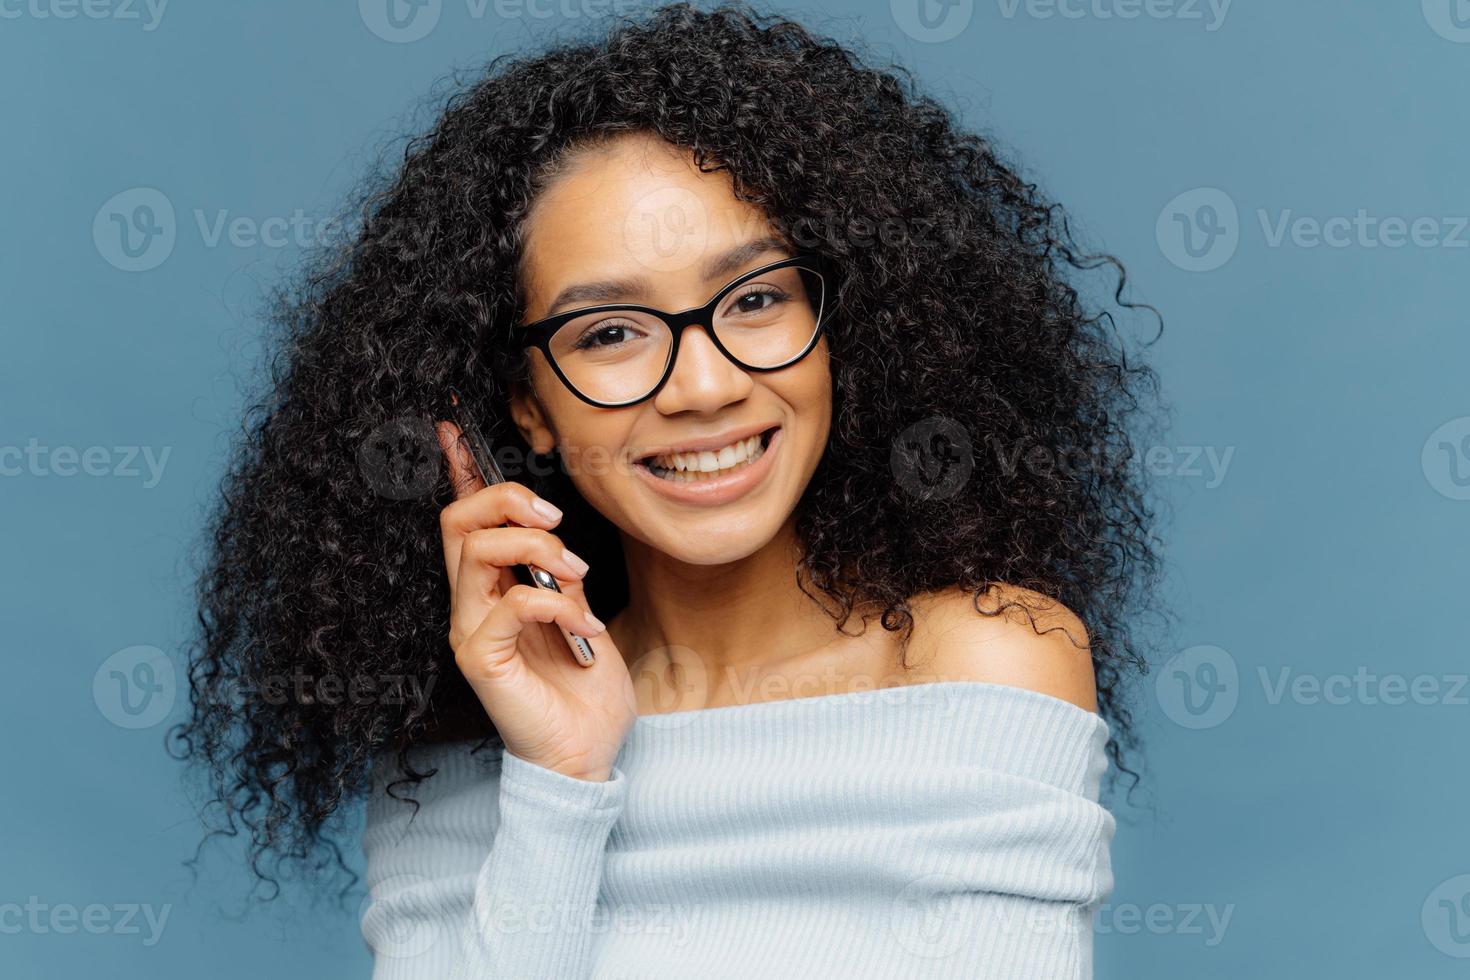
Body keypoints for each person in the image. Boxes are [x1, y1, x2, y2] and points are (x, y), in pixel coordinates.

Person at [174, 5, 1163, 977]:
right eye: (609, 332)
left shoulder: (982, 664)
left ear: (838, 322)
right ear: (527, 405)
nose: (704, 387)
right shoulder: (464, 745)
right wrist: (561, 777)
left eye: (759, 298)